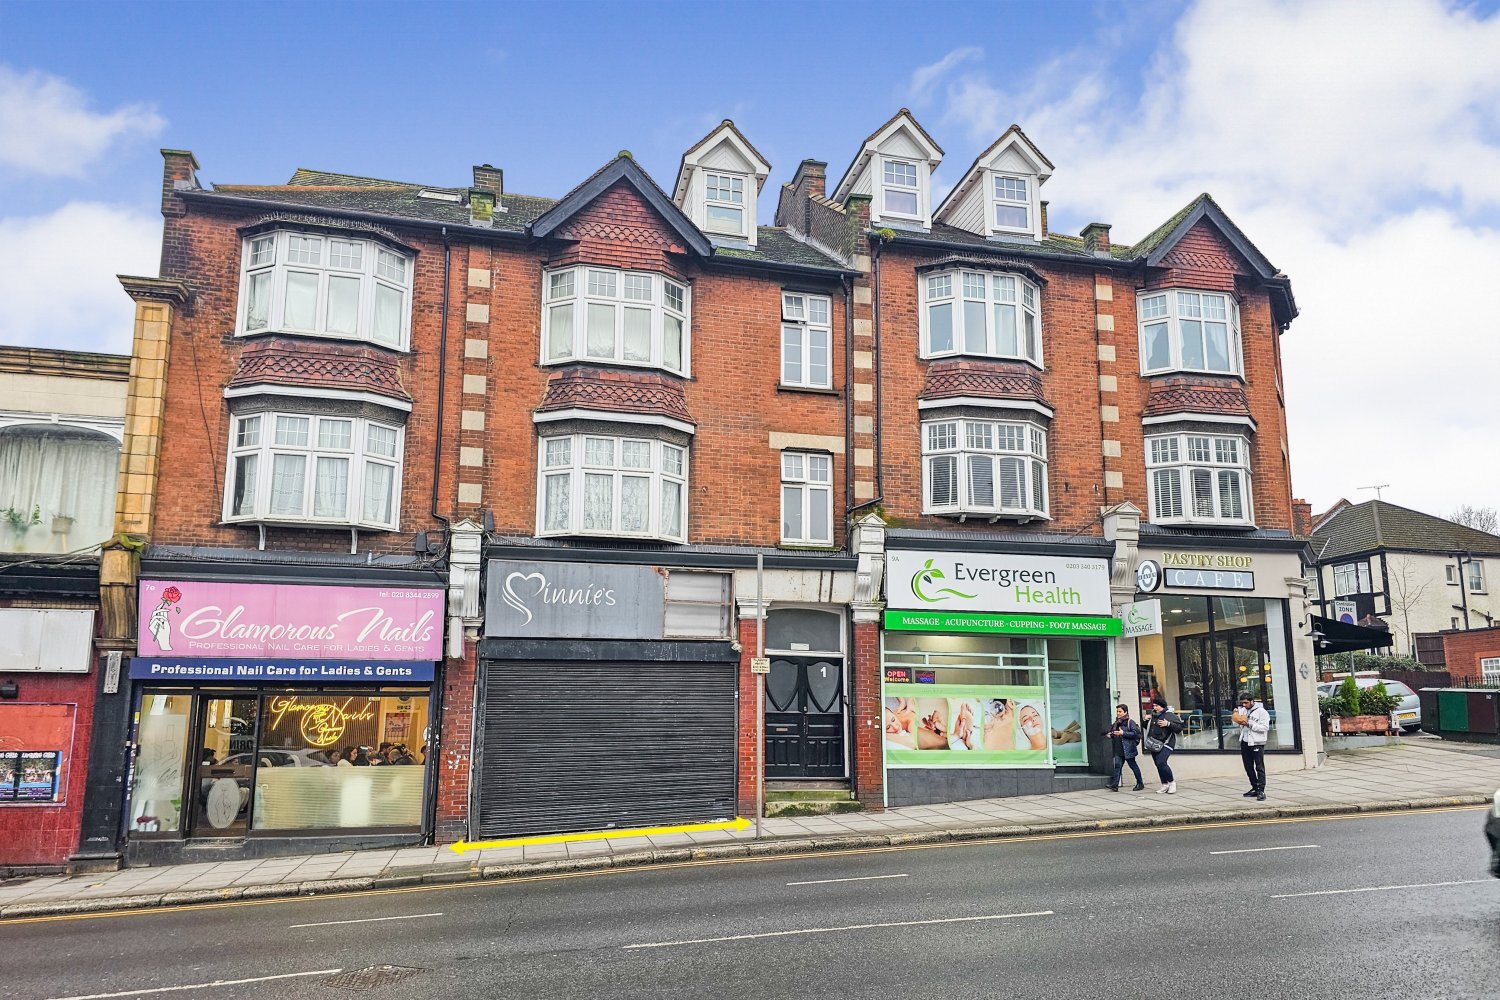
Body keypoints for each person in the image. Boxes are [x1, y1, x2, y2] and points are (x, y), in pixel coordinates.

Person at [1234, 690, 1270, 800]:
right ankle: (1254, 787)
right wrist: (1235, 715)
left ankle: (1261, 790)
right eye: (1242, 703)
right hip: (1245, 741)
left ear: (1252, 701)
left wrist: (1249, 724)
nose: (1244, 705)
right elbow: (1235, 723)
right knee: (1248, 766)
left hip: (1257, 742)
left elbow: (1265, 728)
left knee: (1259, 767)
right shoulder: (1243, 710)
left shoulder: (1262, 712)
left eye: (1246, 703)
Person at [1146, 695, 1184, 794]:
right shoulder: (1153, 715)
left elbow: (1179, 728)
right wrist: (1146, 720)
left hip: (1167, 743)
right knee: (1158, 765)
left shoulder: (1170, 715)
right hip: (1154, 743)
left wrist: (1168, 724)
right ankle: (1164, 784)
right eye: (1153, 705)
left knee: (1161, 762)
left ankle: (1172, 783)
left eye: (1156, 706)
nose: (1154, 708)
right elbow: (1149, 727)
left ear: (1162, 706)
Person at [1105, 704, 1144, 791]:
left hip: (1128, 749)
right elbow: (1113, 732)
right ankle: (1115, 785)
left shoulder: (1130, 722)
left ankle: (1140, 783)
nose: (1118, 713)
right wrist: (1110, 734)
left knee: (1133, 766)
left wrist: (1123, 733)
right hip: (1118, 748)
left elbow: (1135, 734)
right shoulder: (1116, 723)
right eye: (1117, 711)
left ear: (1125, 712)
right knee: (1118, 766)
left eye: (1120, 711)